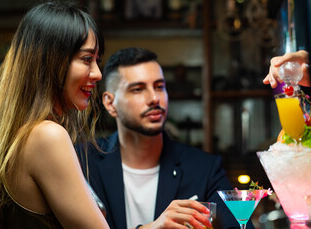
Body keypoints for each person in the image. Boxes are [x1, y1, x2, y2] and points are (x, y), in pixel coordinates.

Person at [0, 1, 109, 229]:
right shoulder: (47, 136)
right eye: (86, 59)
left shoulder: (22, 134)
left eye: (97, 61)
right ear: (52, 61)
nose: (98, 74)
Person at [76, 47, 246, 229]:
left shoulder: (204, 168)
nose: (154, 98)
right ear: (110, 103)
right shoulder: (81, 161)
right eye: (138, 89)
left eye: (159, 87)